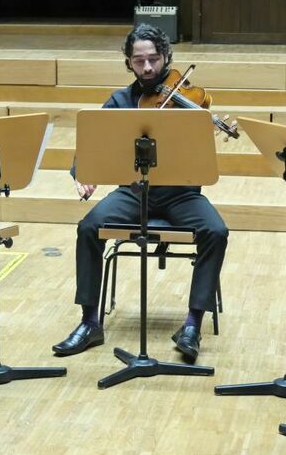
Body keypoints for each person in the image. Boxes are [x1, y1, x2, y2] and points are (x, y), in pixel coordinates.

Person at [51, 23, 229, 363]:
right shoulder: (120, 101)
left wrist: (202, 127)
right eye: (138, 61)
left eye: (153, 59)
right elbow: (91, 144)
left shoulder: (188, 100)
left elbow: (202, 157)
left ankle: (192, 325)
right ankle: (90, 323)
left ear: (165, 57)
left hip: (181, 194)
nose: (147, 68)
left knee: (216, 231)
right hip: (134, 193)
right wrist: (82, 174)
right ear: (129, 64)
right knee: (89, 227)